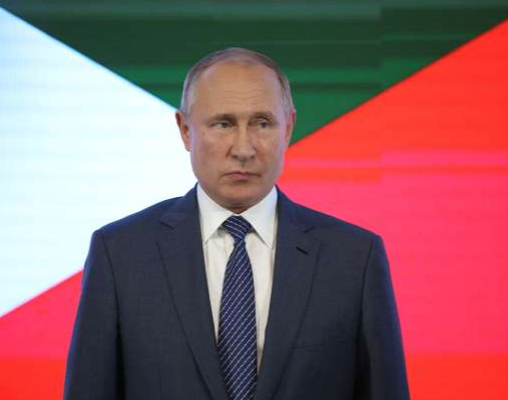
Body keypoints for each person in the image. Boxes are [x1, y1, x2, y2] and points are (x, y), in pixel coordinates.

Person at [63, 47, 410, 400]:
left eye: (262, 123)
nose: (243, 148)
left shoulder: (354, 258)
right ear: (185, 130)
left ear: (288, 128)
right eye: (223, 124)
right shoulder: (120, 253)